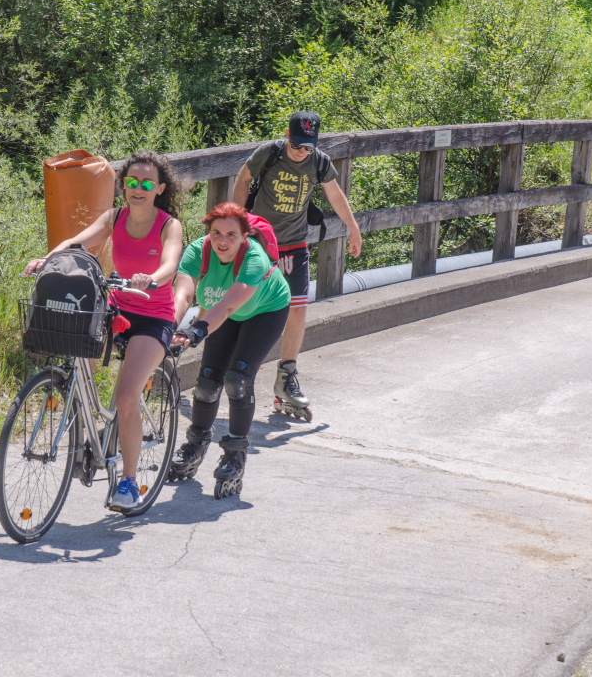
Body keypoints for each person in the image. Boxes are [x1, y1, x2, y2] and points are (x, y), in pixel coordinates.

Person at [24, 151, 185, 513]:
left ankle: (128, 482)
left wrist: (151, 279)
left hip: (153, 317)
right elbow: (76, 242)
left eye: (147, 184)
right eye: (132, 182)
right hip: (116, 308)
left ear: (160, 188)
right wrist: (48, 260)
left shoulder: (168, 225)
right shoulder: (115, 217)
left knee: (127, 396)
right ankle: (86, 423)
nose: (138, 189)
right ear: (123, 185)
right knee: (74, 342)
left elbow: (169, 264)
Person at [232, 110, 363, 420]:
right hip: (259, 244)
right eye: (297, 144)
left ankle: (286, 378)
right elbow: (243, 178)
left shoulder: (319, 162)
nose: (301, 151)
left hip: (294, 245)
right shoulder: (269, 153)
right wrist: (237, 221)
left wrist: (354, 228)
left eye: (308, 146)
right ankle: (229, 368)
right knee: (242, 305)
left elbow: (335, 195)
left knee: (298, 309)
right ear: (287, 136)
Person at [169, 202, 291, 498]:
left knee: (238, 379)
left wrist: (198, 330)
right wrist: (168, 327)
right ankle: (195, 445)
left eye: (231, 235)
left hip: (265, 311)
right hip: (220, 314)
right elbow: (183, 295)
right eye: (216, 233)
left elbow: (228, 305)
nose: (222, 241)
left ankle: (235, 454)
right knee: (207, 382)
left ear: (244, 235)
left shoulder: (254, 258)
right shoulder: (198, 251)